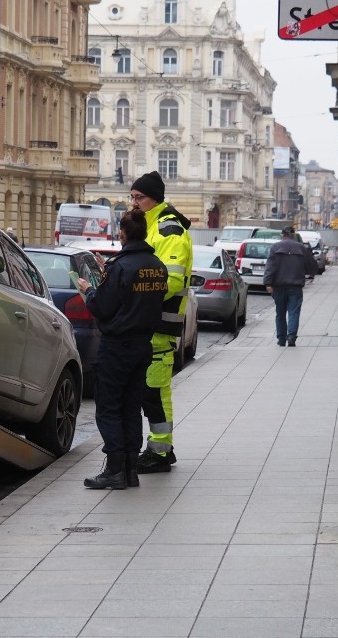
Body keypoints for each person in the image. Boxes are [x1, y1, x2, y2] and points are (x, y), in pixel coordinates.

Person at [76, 210, 168, 489]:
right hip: (143, 346)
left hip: (117, 346)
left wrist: (89, 290)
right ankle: (129, 469)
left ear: (123, 234)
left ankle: (115, 469)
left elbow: (102, 306)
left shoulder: (120, 267)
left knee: (108, 408)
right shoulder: (157, 265)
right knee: (130, 408)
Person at [125, 171, 193, 474]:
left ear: (155, 199)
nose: (134, 203)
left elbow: (173, 279)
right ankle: (158, 448)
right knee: (148, 390)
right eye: (132, 197)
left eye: (139, 197)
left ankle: (161, 451)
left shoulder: (168, 231)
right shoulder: (152, 227)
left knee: (155, 390)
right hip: (147, 323)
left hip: (158, 324)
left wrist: (135, 291)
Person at [263, 225, 313, 347]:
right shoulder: (301, 247)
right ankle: (291, 337)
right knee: (294, 312)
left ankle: (281, 339)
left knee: (280, 313)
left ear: (282, 235)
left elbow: (270, 266)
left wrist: (267, 282)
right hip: (295, 286)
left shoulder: (275, 247)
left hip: (278, 286)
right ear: (293, 234)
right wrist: (307, 272)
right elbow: (311, 265)